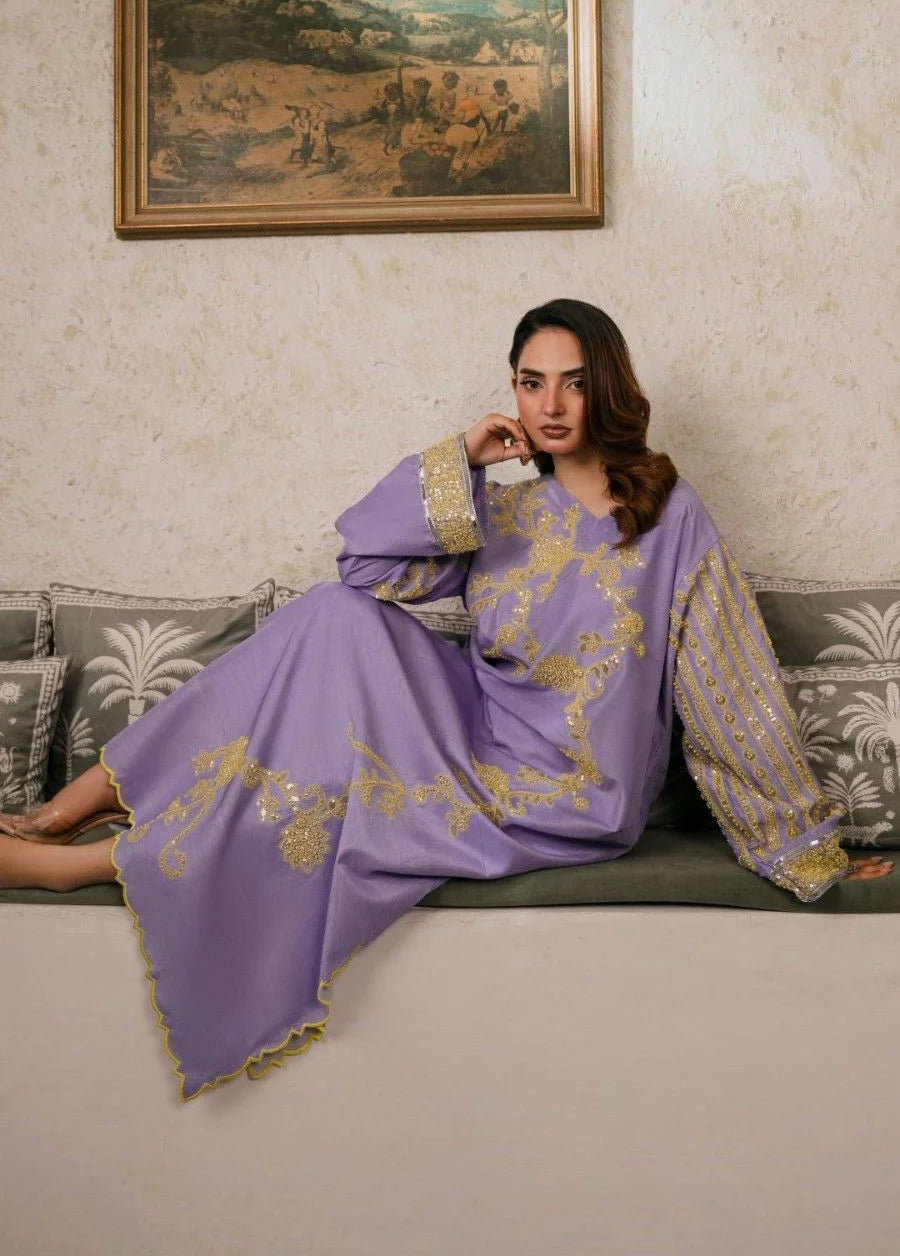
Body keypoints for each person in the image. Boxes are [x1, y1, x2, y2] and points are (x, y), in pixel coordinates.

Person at [0, 299, 853, 1101]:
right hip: (470, 734)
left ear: (612, 387)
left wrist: (802, 844)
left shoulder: (669, 514)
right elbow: (363, 570)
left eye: (575, 380)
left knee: (337, 781)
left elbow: (724, 675)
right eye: (530, 380)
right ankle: (75, 806)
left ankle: (89, 857)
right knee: (332, 615)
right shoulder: (505, 509)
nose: (551, 403)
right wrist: (466, 460)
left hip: (571, 793)